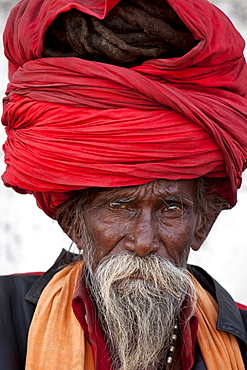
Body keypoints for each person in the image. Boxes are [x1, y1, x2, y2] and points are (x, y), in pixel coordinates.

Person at [0, 0, 247, 369]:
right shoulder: (6, 320)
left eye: (171, 208)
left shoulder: (240, 337)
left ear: (202, 226)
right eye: (120, 206)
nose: (143, 241)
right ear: (74, 225)